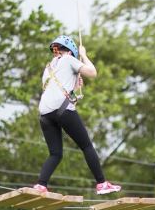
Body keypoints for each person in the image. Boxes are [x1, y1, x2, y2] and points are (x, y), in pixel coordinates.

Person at [35, 35, 121, 195]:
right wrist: (84, 55)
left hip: (45, 115)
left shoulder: (48, 68)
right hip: (62, 111)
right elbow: (93, 73)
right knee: (86, 146)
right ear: (70, 51)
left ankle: (41, 185)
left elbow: (57, 89)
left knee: (55, 153)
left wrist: (75, 84)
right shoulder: (68, 59)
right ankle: (102, 183)